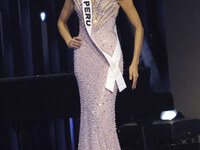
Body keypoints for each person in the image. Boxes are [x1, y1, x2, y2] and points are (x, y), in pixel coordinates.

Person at [57, 0, 143, 148]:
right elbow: (61, 22)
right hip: (84, 60)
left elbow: (139, 27)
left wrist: (134, 63)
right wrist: (69, 40)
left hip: (109, 60)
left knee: (101, 115)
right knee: (90, 116)